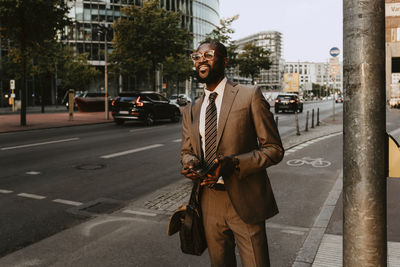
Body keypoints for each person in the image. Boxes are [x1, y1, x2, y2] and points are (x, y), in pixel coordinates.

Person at [180, 40, 284, 267]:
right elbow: (186, 151)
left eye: (208, 55)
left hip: (245, 198)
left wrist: (234, 163)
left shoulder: (249, 95)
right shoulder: (191, 109)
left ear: (224, 61)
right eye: (197, 57)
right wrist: (191, 164)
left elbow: (274, 150)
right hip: (208, 201)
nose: (201, 61)